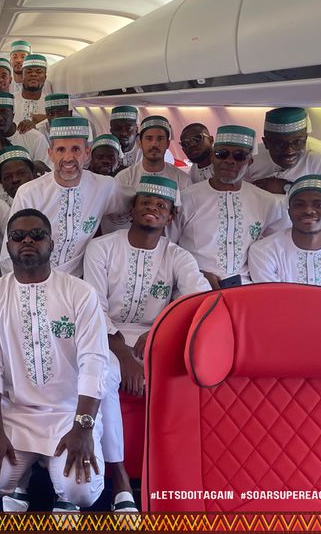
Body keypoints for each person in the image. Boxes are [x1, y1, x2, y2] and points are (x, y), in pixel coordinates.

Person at [83, 176, 210, 511]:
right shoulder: (102, 247)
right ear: (132, 209)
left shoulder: (177, 256)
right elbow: (93, 307)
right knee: (104, 375)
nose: (152, 209)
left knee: (188, 375)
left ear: (169, 216)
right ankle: (119, 476)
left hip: (158, 335)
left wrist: (158, 334)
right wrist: (123, 354)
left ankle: (176, 477)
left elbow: (201, 301)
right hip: (107, 335)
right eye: (145, 203)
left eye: (161, 206)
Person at [0, 209, 109, 512]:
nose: (27, 240)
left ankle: (60, 488)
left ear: (51, 242)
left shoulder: (80, 293)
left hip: (68, 414)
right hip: (14, 414)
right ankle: (24, 476)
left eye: (37, 234)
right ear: (8, 246)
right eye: (18, 236)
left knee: (81, 492)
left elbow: (94, 363)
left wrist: (83, 428)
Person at [0, 117, 131, 276]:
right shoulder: (29, 193)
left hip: (78, 282)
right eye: (61, 150)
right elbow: (10, 253)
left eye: (76, 149)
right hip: (33, 278)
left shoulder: (105, 187)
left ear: (87, 153)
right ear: (51, 154)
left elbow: (132, 207)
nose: (68, 158)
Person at [175, 125, 286, 289]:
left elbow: (277, 248)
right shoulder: (186, 199)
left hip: (246, 287)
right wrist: (195, 272)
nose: (230, 160)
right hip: (194, 285)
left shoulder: (267, 202)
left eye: (239, 156)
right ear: (213, 157)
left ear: (250, 161)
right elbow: (168, 247)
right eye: (222, 154)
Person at [249, 107, 321, 230]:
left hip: (304, 232)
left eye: (297, 141)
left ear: (306, 138)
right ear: (266, 142)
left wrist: (287, 188)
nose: (289, 150)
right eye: (280, 143)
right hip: (258, 226)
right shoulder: (253, 156)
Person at [248, 174, 321, 289]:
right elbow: (274, 299)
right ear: (289, 212)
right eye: (299, 205)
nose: (308, 210)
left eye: (318, 205)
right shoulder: (264, 252)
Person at [14, 54, 48, 130]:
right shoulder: (10, 101)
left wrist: (47, 118)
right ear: (22, 77)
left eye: (39, 72)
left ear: (45, 78)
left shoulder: (51, 104)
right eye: (29, 72)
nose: (33, 74)